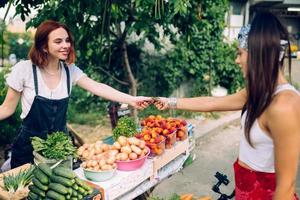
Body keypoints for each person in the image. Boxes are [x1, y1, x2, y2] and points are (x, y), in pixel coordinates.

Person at [154, 12, 300, 200]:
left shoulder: (284, 106)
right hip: (245, 193)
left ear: (258, 54)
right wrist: (169, 102)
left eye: (240, 53)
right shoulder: (258, 92)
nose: (236, 60)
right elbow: (212, 102)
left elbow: (285, 188)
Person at [0, 20, 151, 169]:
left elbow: (98, 87)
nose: (65, 45)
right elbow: (7, 108)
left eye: (67, 40)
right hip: (28, 149)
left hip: (59, 149)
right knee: (24, 192)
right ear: (44, 46)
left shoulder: (69, 70)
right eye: (58, 41)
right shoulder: (25, 70)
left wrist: (132, 100)